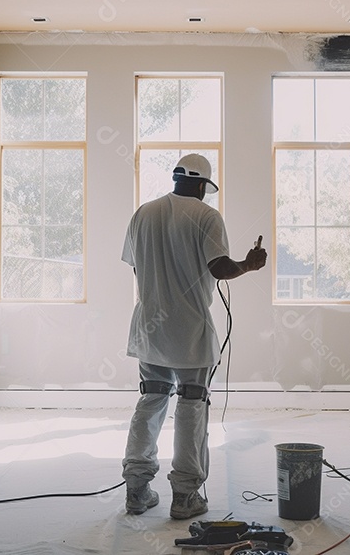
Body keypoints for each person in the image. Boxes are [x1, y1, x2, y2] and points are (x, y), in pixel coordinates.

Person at [120, 154, 267, 520]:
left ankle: (136, 489)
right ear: (202, 185)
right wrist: (249, 264)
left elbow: (137, 266)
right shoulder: (206, 216)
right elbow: (219, 267)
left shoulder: (143, 213)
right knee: (191, 406)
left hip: (150, 328)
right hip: (189, 331)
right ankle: (185, 496)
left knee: (151, 401)